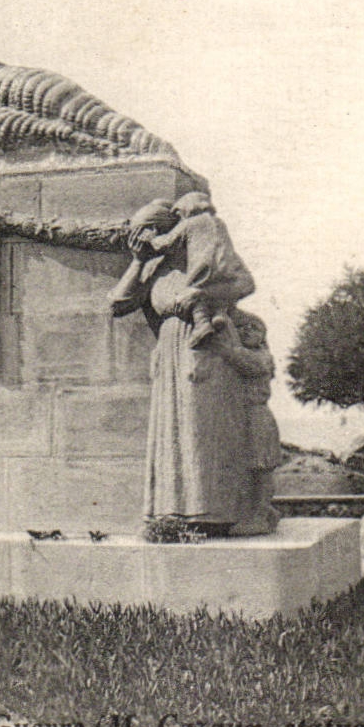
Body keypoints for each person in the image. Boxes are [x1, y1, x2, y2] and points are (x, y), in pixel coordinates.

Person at [110, 198, 258, 536]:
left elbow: (245, 284)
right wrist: (138, 261)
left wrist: (203, 295)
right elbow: (118, 303)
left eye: (147, 233)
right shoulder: (153, 266)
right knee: (174, 434)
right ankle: (174, 514)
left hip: (206, 345)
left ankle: (214, 515)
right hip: (171, 345)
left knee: (202, 428)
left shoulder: (203, 247)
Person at [146, 191, 256, 348]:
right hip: (224, 267)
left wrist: (151, 239)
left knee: (194, 292)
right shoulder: (219, 223)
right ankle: (219, 314)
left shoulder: (190, 223)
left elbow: (166, 243)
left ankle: (202, 324)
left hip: (202, 268)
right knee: (212, 292)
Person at [218, 308, 281, 536]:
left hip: (257, 416)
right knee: (249, 468)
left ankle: (260, 514)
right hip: (244, 417)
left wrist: (221, 342)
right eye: (242, 328)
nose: (246, 332)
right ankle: (260, 512)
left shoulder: (261, 357)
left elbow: (237, 357)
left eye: (252, 328)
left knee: (260, 467)